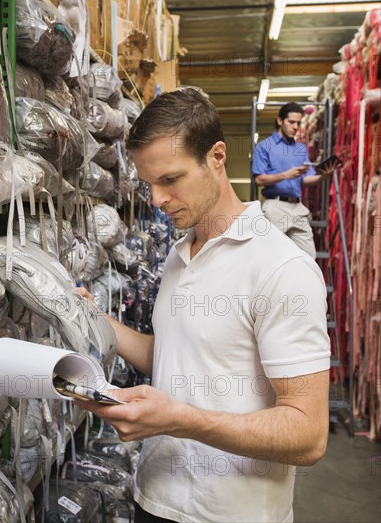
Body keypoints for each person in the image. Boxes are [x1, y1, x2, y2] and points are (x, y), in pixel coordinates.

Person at [77, 89, 330, 523]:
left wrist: (179, 420)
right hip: (154, 499)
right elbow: (178, 356)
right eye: (148, 185)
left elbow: (307, 434)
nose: (156, 200)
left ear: (216, 157)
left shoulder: (281, 268)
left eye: (170, 180)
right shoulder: (180, 254)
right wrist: (92, 318)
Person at [251, 102, 335, 259]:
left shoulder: (300, 148)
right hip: (275, 206)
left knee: (309, 257)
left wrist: (325, 175)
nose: (296, 127)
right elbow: (259, 179)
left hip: (298, 207)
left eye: (298, 122)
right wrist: (286, 175)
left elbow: (306, 179)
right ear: (280, 121)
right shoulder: (264, 146)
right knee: (270, 256)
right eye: (291, 122)